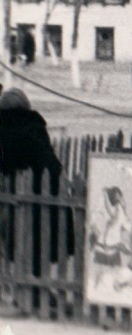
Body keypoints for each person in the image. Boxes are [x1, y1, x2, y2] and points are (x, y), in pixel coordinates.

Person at [0, 87, 74, 279]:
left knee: (15, 243)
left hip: (13, 192)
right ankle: (34, 286)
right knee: (38, 243)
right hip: (43, 189)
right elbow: (47, 159)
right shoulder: (34, 125)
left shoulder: (3, 126)